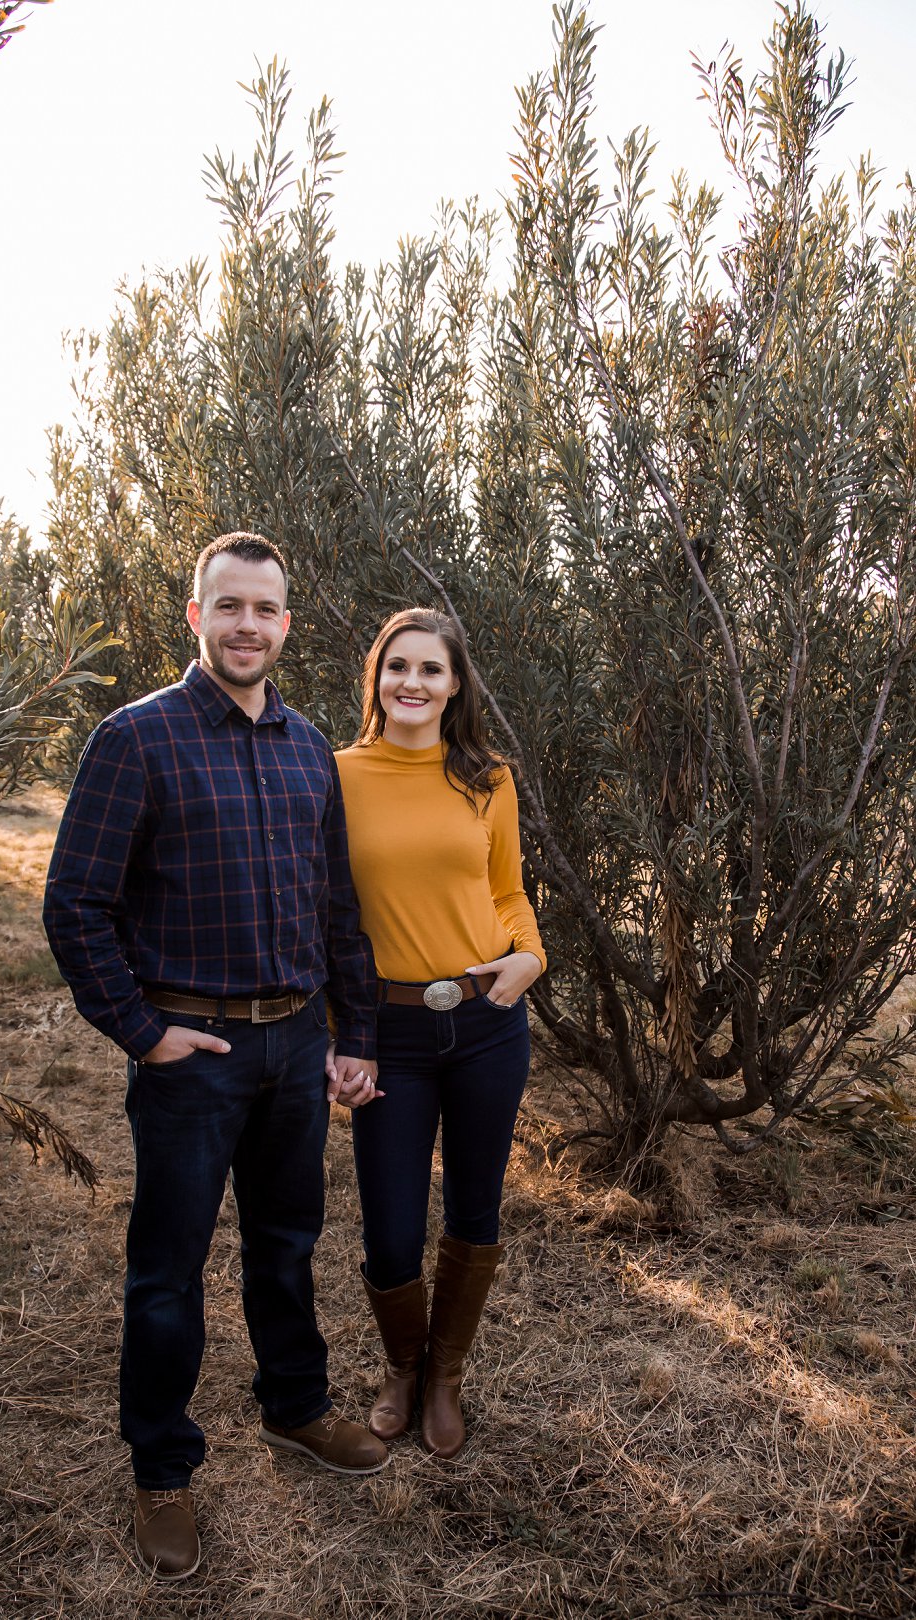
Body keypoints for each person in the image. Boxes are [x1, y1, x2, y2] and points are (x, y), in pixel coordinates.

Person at [43, 532, 387, 1583]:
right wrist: (144, 1033)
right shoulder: (135, 740)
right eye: (227, 606)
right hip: (192, 1052)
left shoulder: (307, 747)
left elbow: (338, 907)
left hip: (295, 1045)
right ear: (195, 616)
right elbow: (75, 904)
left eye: (265, 609)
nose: (247, 625)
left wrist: (355, 1033)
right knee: (168, 1274)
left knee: (287, 1243)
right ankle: (162, 1470)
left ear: (287, 625)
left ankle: (296, 1408)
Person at [334, 607, 545, 1460]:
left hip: (488, 1018)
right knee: (389, 1222)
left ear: (455, 684)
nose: (412, 683)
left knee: (474, 1207)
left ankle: (446, 1376)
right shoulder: (337, 774)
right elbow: (323, 913)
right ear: (376, 679)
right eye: (397, 667)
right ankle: (401, 1367)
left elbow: (508, 891)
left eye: (431, 669)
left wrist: (530, 955)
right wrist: (333, 1026)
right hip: (386, 1027)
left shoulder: (488, 778)